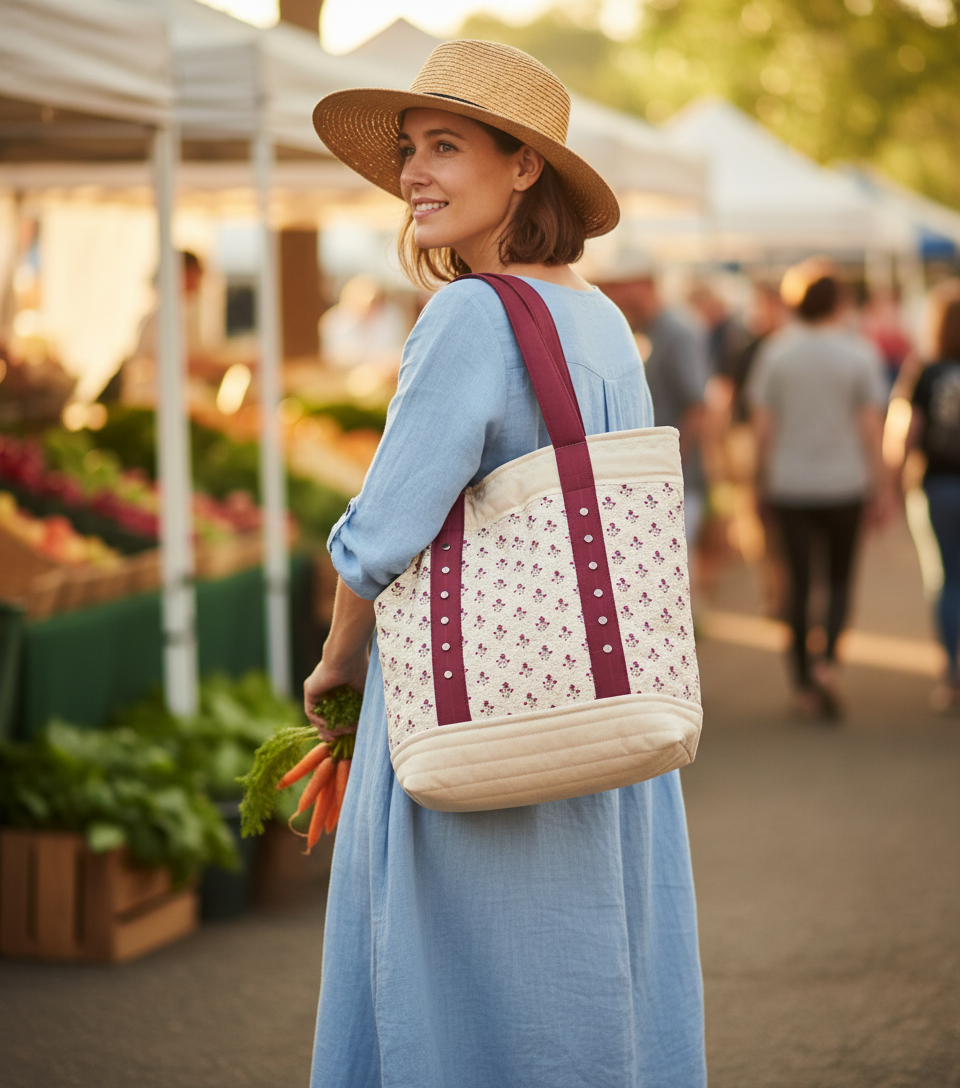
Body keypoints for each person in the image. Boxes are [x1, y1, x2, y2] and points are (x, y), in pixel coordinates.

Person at [304, 40, 706, 1088]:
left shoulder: (470, 315)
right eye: (407, 151)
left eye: (445, 146)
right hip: (595, 696)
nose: (413, 175)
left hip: (480, 705)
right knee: (591, 974)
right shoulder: (604, 317)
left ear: (523, 165)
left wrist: (337, 661)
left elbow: (385, 531)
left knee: (457, 993)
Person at [749, 258, 893, 718]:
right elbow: (873, 429)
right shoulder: (860, 353)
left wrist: (758, 482)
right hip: (845, 483)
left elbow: (763, 428)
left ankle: (803, 685)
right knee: (839, 579)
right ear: (840, 302)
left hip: (789, 484)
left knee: (796, 583)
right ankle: (828, 660)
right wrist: (883, 486)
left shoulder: (775, 352)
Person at [599, 269, 710, 545]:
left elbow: (696, 407)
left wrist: (671, 465)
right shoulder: (646, 329)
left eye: (620, 285)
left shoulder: (676, 331)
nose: (614, 294)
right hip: (656, 480)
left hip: (673, 481)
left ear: (642, 283)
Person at [905, 280, 960, 711]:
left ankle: (952, 677)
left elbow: (907, 432)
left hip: (939, 484)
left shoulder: (925, 371)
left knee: (946, 579)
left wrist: (895, 481)